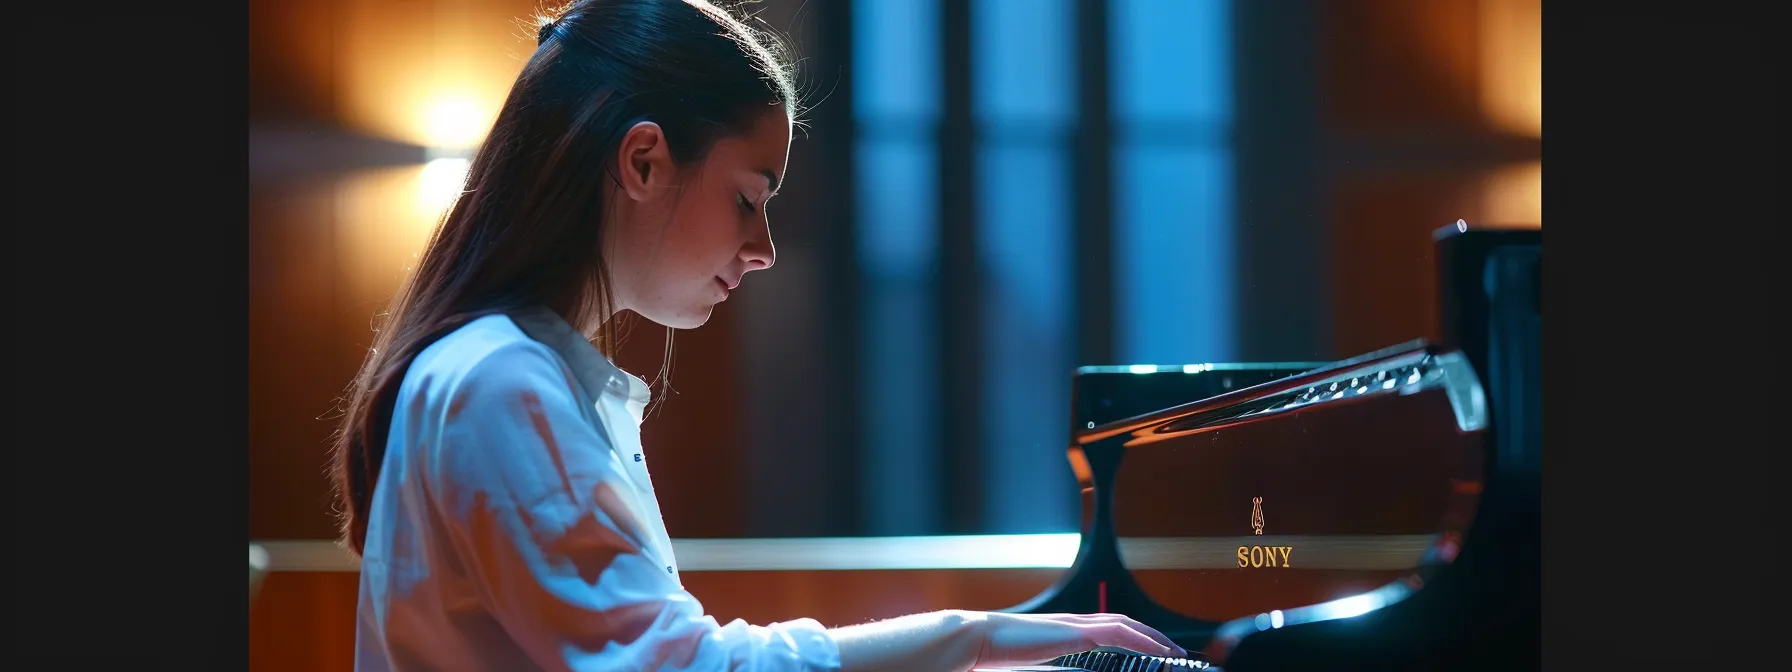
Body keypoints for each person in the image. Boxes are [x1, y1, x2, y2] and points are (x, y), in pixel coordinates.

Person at [330, 1, 1184, 670]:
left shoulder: (509, 374)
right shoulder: (500, 382)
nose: (764, 249)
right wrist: (974, 640)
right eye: (750, 197)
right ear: (642, 163)